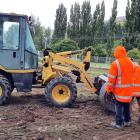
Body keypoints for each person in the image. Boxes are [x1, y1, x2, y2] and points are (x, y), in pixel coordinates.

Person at [106, 45, 134, 129]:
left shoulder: (115, 64)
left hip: (119, 91)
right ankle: (127, 121)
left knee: (118, 107)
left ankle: (118, 123)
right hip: (129, 91)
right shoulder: (131, 62)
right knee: (126, 106)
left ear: (116, 53)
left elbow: (111, 79)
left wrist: (108, 89)